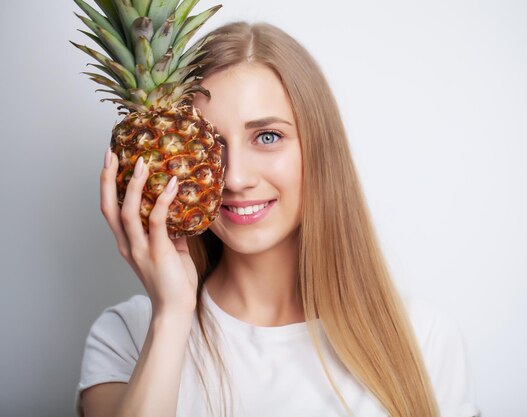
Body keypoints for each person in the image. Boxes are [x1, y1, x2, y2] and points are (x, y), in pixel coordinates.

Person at [75, 22, 479, 417]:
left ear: (320, 148)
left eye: (267, 136)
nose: (235, 178)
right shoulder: (126, 336)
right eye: (209, 144)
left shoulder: (423, 340)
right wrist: (172, 315)